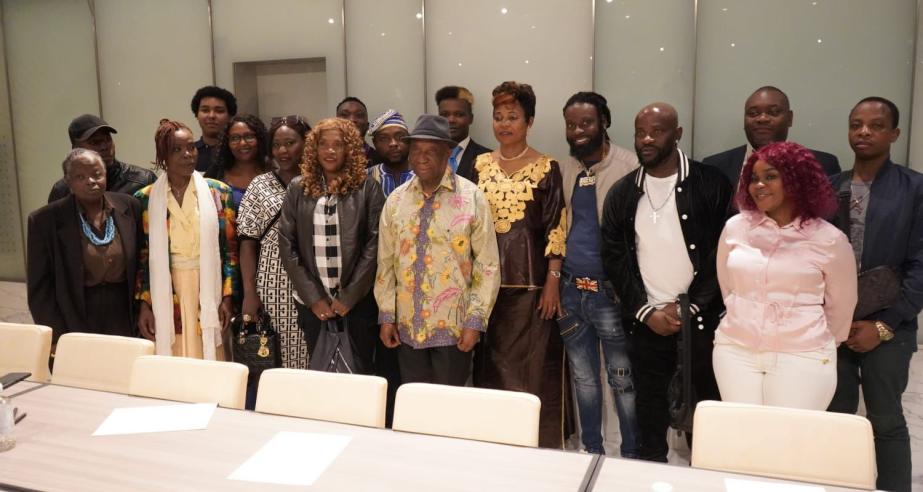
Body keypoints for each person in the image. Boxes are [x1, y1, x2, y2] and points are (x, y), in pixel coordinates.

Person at [601, 103, 732, 462]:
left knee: (705, 421)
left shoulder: (711, 183)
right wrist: (645, 312)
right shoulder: (623, 192)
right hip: (646, 325)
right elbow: (615, 260)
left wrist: (688, 307)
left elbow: (721, 255)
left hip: (701, 326)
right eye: (640, 131)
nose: (646, 138)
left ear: (677, 134)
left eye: (656, 131)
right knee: (650, 419)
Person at [713, 141, 856, 410]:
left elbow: (842, 306)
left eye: (770, 177)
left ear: (796, 180)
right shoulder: (735, 227)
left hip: (802, 354)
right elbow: (728, 287)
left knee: (790, 441)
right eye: (753, 178)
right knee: (746, 437)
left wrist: (813, 339)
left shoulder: (829, 239)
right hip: (736, 349)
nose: (758, 185)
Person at [827, 97, 923, 492]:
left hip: (890, 325)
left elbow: (920, 265)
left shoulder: (914, 187)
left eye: (876, 125)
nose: (864, 132)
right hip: (835, 326)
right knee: (836, 420)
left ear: (894, 134)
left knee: (885, 420)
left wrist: (884, 325)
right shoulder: (833, 187)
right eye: (856, 124)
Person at [472, 81, 568, 449]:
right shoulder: (479, 166)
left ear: (529, 121)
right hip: (486, 288)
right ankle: (494, 443)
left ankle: (533, 447)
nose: (504, 124)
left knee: (530, 374)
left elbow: (556, 228)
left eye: (513, 117)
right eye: (498, 117)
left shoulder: (547, 167)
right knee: (490, 370)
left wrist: (553, 281)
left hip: (531, 289)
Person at [376, 114, 500, 386]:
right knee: (414, 404)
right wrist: (387, 317)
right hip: (407, 327)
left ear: (448, 152)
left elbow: (487, 265)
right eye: (416, 150)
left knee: (449, 409)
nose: (421, 157)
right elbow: (385, 264)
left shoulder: (471, 197)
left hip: (454, 329)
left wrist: (475, 322)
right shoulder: (396, 201)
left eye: (431, 151)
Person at [559, 91, 640, 457]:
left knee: (623, 381)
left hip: (611, 293)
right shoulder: (566, 168)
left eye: (586, 122)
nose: (577, 130)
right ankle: (591, 451)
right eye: (571, 124)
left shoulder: (630, 167)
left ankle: (632, 455)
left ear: (604, 121)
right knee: (584, 381)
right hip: (572, 291)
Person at [278, 117, 384, 374]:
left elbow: (375, 244)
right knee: (321, 373)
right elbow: (287, 244)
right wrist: (314, 299)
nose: (330, 150)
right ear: (314, 149)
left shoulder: (367, 187)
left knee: (360, 373)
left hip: (357, 304)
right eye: (323, 144)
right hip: (312, 305)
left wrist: (348, 297)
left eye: (338, 144)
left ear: (351, 149)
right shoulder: (298, 188)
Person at [135, 119, 238, 360]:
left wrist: (227, 297)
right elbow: (144, 257)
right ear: (163, 156)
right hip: (169, 290)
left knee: (211, 355)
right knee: (175, 356)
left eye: (191, 147)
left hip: (208, 287)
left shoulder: (218, 193)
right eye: (177, 149)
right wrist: (144, 304)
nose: (188, 155)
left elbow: (230, 252)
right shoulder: (146, 199)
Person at [28, 148, 143, 343]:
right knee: (84, 371)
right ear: (68, 182)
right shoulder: (45, 221)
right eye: (80, 177)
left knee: (125, 369)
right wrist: (57, 336)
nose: (91, 181)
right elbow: (40, 290)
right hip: (75, 314)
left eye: (96, 174)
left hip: (124, 315)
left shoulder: (129, 207)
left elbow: (142, 262)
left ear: (105, 173)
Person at [238, 115, 311, 369]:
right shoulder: (260, 185)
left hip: (311, 283)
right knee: (275, 357)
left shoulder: (318, 183)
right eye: (276, 144)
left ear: (306, 143)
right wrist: (250, 293)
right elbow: (247, 242)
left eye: (290, 143)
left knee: (310, 357)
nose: (282, 150)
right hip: (272, 283)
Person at [703, 86, 840, 190]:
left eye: (774, 112)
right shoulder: (714, 166)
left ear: (790, 118)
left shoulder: (822, 164)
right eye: (753, 113)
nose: (762, 119)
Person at [48, 114, 156, 202]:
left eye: (108, 139)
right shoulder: (62, 190)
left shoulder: (143, 181)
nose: (104, 147)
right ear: (76, 149)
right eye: (95, 142)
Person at [204, 114, 270, 212]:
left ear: (259, 139)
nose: (242, 143)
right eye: (235, 138)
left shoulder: (274, 171)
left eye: (249, 136)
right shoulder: (216, 173)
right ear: (227, 143)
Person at [435, 85, 492, 181]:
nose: (451, 120)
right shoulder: (428, 155)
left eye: (459, 114)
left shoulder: (488, 157)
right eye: (445, 115)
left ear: (471, 118)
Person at [190, 85, 237, 172]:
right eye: (205, 110)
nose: (211, 116)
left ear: (230, 116)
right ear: (197, 114)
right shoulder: (189, 154)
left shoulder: (239, 153)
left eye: (219, 111)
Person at [367, 110, 413, 196]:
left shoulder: (424, 175)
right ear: (375, 143)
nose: (393, 143)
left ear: (409, 140)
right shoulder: (365, 178)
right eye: (384, 139)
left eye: (400, 137)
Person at [336, 96, 375, 161]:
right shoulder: (324, 158)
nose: (352, 120)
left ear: (367, 126)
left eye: (359, 115)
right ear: (335, 124)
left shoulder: (381, 161)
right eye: (344, 115)